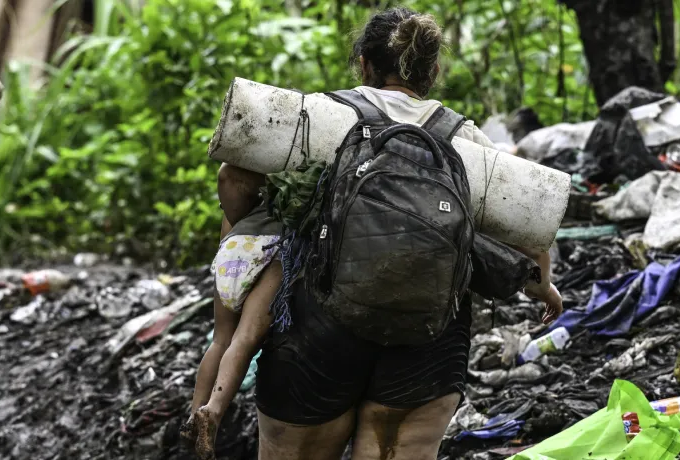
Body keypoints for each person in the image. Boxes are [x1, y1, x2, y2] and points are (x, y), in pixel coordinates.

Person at [209, 7, 563, 460]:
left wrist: (246, 238)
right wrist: (545, 288)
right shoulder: (466, 141)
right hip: (428, 337)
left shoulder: (322, 117)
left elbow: (231, 179)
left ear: (364, 64)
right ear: (433, 71)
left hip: (317, 330)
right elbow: (531, 237)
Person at [180, 201, 283, 460]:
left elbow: (226, 226)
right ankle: (213, 410)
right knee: (244, 338)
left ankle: (193, 417)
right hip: (273, 249)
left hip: (232, 249)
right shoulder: (300, 179)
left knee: (220, 340)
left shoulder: (247, 183)